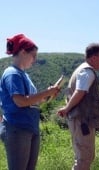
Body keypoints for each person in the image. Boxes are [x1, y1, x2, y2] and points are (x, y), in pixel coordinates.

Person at [0, 34, 59, 170]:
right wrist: (47, 92)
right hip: (17, 128)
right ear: (22, 52)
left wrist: (48, 96)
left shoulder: (24, 75)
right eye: (33, 55)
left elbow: (32, 101)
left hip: (29, 127)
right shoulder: (12, 74)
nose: (35, 60)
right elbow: (20, 101)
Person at [57, 43, 99, 170]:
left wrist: (67, 109)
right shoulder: (87, 72)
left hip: (81, 120)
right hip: (82, 121)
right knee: (84, 157)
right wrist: (67, 108)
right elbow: (80, 91)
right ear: (94, 58)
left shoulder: (82, 70)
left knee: (85, 156)